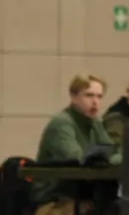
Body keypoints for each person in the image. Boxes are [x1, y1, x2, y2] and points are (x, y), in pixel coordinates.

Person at [33, 74, 119, 215]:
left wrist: (110, 159)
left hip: (82, 195)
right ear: (73, 97)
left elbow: (112, 151)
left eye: (99, 96)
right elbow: (77, 160)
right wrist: (106, 159)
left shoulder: (95, 123)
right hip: (54, 200)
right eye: (89, 95)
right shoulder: (62, 123)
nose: (95, 102)